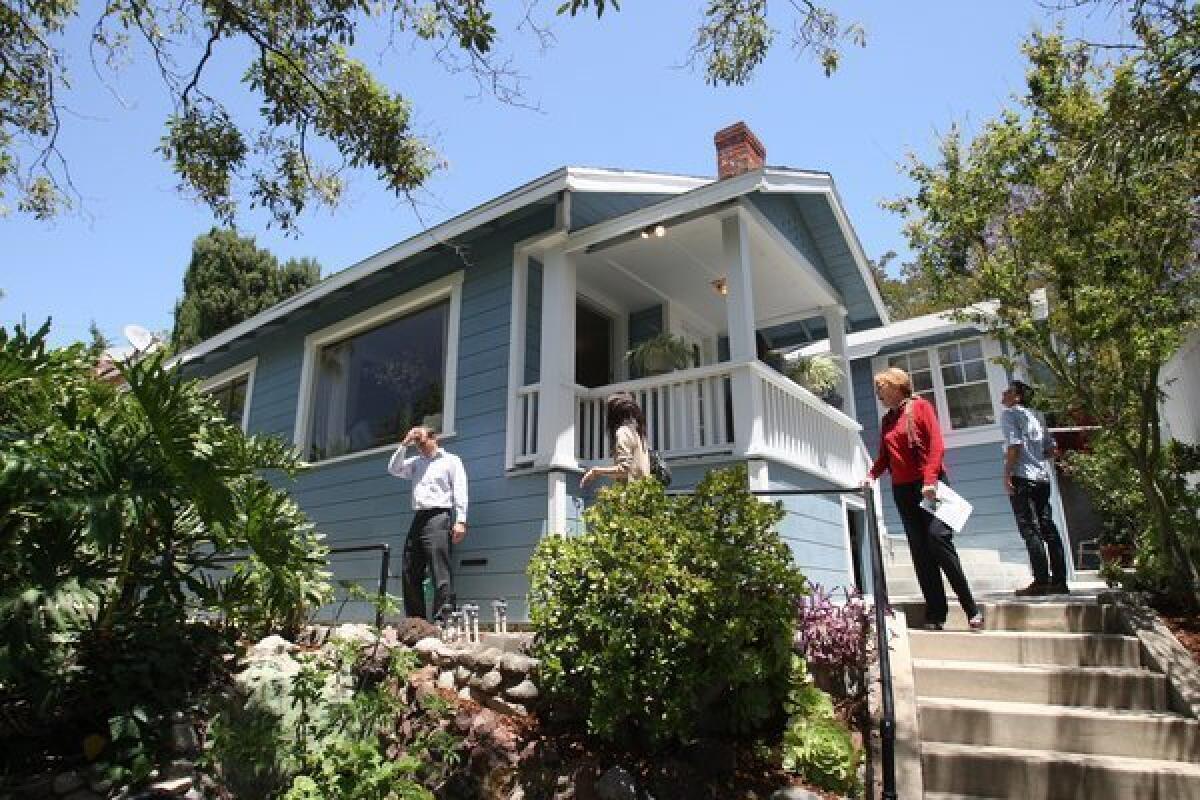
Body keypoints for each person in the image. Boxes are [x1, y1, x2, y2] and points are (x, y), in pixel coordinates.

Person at [864, 367, 983, 631]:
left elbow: (936, 445)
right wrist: (871, 475)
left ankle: (971, 609)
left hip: (930, 487)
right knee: (920, 553)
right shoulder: (887, 420)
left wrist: (929, 479)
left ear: (896, 386)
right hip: (903, 492)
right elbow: (885, 455)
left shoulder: (921, 407)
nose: (878, 394)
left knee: (938, 540)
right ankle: (936, 613)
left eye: (881, 388)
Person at [387, 425, 469, 621]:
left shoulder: (451, 461)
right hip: (419, 517)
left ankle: (442, 621)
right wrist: (404, 444)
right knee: (410, 568)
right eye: (417, 444)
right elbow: (393, 469)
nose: (420, 447)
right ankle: (416, 622)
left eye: (422, 443)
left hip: (439, 517)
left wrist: (461, 521)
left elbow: (460, 490)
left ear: (434, 439)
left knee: (439, 571)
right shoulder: (416, 462)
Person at [1001, 380, 1069, 596]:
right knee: (1048, 527)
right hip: (1042, 478)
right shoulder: (1037, 416)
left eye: (1008, 391)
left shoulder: (1010, 415)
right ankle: (1059, 581)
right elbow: (1051, 450)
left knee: (1030, 529)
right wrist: (1036, 457)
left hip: (1023, 477)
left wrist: (1008, 473)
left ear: (1017, 397)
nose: (1003, 394)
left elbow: (1015, 445)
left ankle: (1041, 582)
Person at [580, 392, 650, 488]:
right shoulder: (638, 433)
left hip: (630, 496)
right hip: (642, 494)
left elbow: (624, 469)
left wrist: (596, 471)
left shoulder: (623, 432)